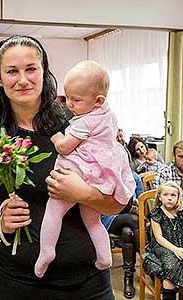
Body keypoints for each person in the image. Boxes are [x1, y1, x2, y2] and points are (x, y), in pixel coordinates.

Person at [0, 35, 124, 300]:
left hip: (88, 284)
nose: (23, 79)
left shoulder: (79, 124)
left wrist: (84, 194)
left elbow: (120, 202)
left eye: (31, 69)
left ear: (44, 72)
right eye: (12, 71)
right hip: (19, 285)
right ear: (0, 78)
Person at [34, 60, 135, 277]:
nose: (69, 104)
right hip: (101, 174)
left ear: (98, 100)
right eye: (67, 97)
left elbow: (63, 147)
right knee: (92, 219)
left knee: (54, 210)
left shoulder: (84, 122)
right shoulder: (107, 113)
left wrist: (53, 133)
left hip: (80, 171)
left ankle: (46, 252)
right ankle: (105, 257)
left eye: (75, 100)